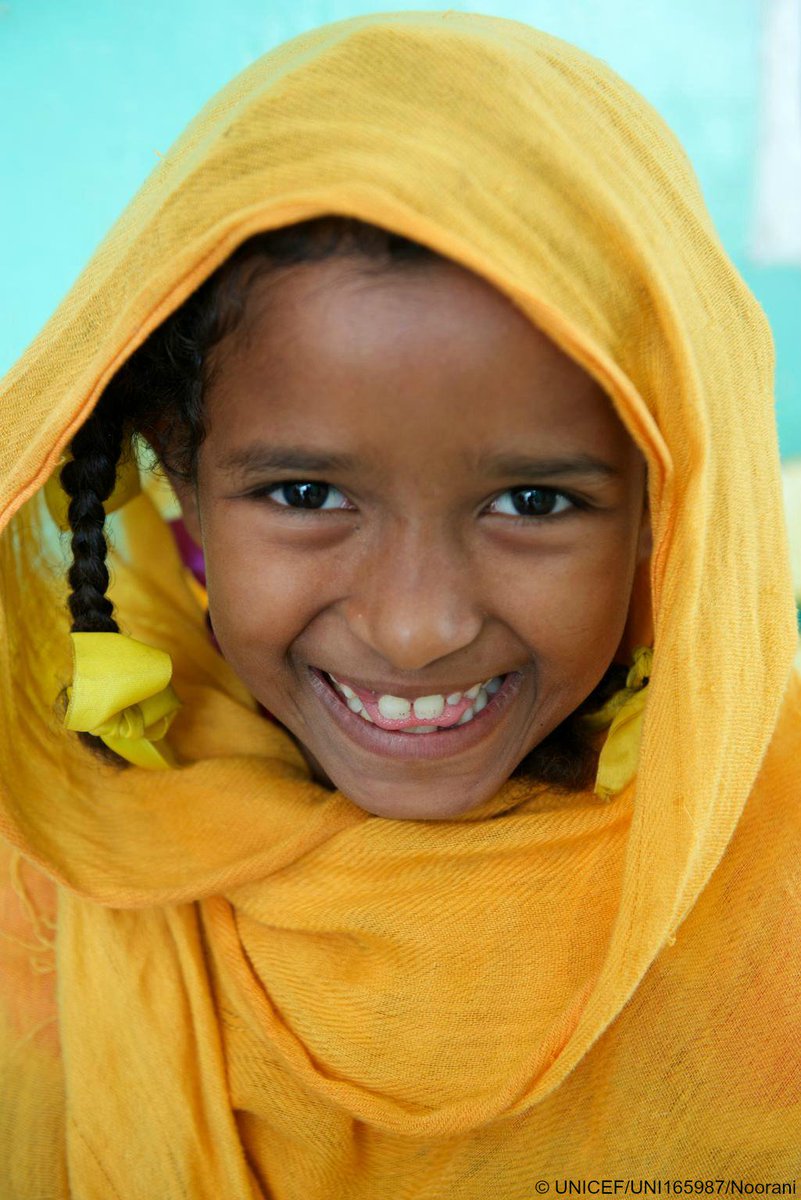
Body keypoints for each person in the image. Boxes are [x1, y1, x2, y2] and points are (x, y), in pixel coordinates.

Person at [0, 10, 799, 1194]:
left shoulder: (771, 895)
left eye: (532, 502)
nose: (417, 627)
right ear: (177, 476)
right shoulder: (51, 864)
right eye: (308, 491)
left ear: (665, 503)